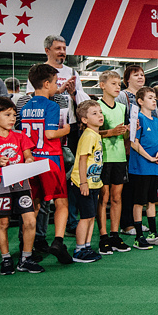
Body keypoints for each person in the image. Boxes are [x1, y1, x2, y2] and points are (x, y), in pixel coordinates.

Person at [0, 97, 40, 275]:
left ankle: (26, 258)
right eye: (7, 115)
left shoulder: (20, 135)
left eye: (14, 115)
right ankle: (6, 258)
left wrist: (29, 160)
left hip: (21, 182)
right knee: (3, 222)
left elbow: (28, 155)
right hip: (0, 185)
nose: (12, 118)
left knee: (30, 220)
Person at [21, 63, 73, 266]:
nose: (56, 86)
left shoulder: (26, 107)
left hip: (32, 159)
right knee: (61, 203)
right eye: (54, 83)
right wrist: (66, 130)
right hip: (51, 160)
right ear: (45, 83)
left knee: (34, 205)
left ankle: (28, 249)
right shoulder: (52, 106)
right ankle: (58, 241)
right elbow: (51, 134)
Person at [96, 70, 132, 254]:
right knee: (104, 197)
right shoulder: (96, 106)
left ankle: (115, 235)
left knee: (117, 197)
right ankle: (103, 237)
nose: (118, 86)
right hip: (102, 158)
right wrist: (110, 132)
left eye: (119, 83)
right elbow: (91, 132)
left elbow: (124, 134)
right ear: (102, 85)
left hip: (119, 157)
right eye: (113, 83)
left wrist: (127, 131)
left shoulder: (122, 108)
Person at [130, 86, 158, 248]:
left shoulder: (155, 120)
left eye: (155, 98)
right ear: (140, 101)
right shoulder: (137, 119)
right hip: (140, 168)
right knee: (139, 202)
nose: (154, 101)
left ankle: (152, 233)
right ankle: (139, 237)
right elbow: (133, 143)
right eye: (150, 98)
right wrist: (150, 158)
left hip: (154, 168)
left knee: (152, 201)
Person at [69, 100, 105, 263]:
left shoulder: (96, 135)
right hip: (84, 183)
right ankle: (79, 249)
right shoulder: (88, 135)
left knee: (91, 216)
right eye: (94, 113)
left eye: (100, 112)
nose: (100, 116)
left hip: (94, 182)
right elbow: (82, 160)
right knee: (85, 216)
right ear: (84, 119)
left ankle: (87, 245)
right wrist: (83, 182)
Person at [116, 64, 146, 235]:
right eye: (136, 75)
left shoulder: (147, 95)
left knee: (139, 188)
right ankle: (126, 223)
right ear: (127, 79)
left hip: (144, 149)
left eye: (142, 74)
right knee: (127, 188)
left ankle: (137, 222)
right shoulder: (122, 96)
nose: (140, 77)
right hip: (127, 148)